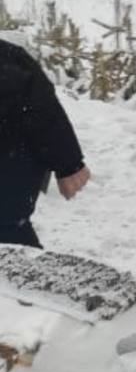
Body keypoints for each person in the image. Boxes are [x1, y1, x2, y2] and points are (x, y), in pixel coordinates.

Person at [0, 32, 90, 248]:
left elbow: (40, 108)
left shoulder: (8, 61)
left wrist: (68, 164)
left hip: (13, 158)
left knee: (8, 230)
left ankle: (30, 277)